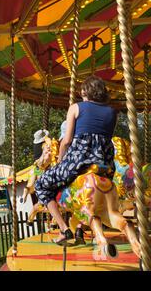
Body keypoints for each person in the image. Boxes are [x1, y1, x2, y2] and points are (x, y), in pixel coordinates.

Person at [34, 76, 117, 245]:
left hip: (79, 161)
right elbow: (105, 138)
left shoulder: (76, 107)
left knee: (41, 184)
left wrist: (60, 161)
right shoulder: (112, 112)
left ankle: (64, 229)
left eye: (82, 90)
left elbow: (66, 141)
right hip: (105, 165)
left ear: (86, 91)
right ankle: (78, 224)